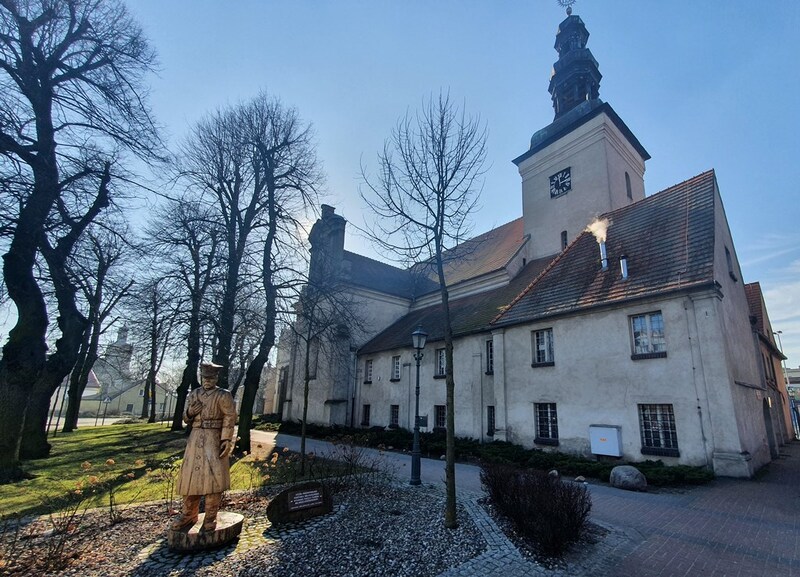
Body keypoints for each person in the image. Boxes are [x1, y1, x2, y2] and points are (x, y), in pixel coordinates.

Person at [171, 362, 237, 532]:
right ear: (201, 378)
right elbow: (186, 418)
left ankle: (210, 517)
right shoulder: (194, 394)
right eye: (205, 378)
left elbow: (230, 416)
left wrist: (226, 440)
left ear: (216, 378)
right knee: (191, 478)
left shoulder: (223, 395)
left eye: (211, 377)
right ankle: (188, 514)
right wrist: (190, 413)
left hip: (213, 438)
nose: (207, 381)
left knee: (213, 478)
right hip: (195, 439)